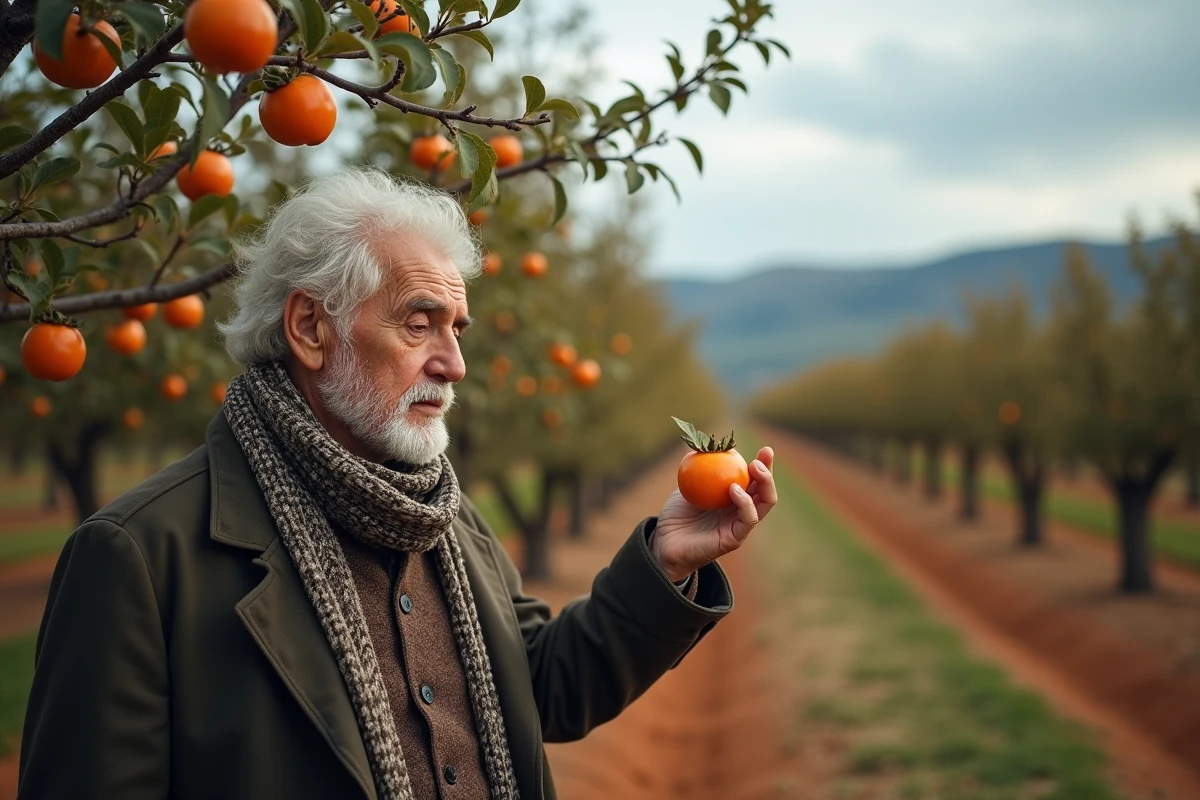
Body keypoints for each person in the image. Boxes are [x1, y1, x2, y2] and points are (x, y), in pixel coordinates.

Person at [18, 169, 777, 800]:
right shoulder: (141, 559)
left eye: (458, 329)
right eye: (420, 324)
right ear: (311, 329)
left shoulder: (447, 518)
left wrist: (668, 561)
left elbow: (540, 687)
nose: (454, 363)